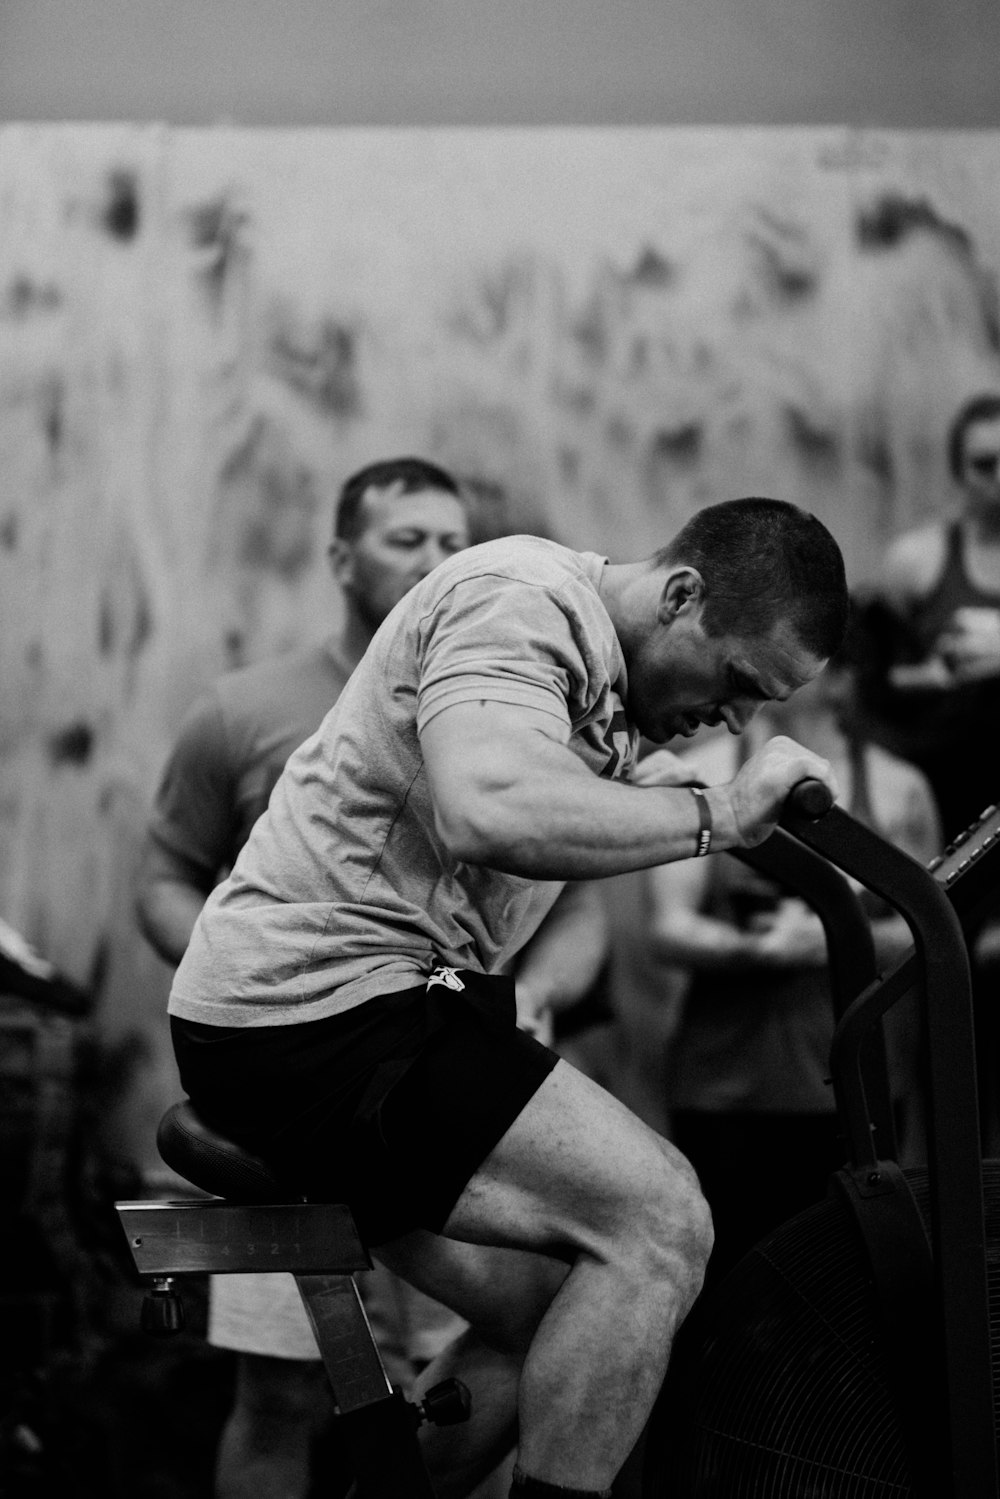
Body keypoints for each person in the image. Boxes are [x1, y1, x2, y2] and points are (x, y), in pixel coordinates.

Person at [166, 497, 849, 1499]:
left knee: (557, 1302)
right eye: (740, 682)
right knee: (661, 1221)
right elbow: (488, 805)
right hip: (313, 1011)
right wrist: (715, 812)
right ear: (679, 593)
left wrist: (875, 871)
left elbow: (643, 806)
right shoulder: (520, 603)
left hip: (375, 1013)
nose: (738, 719)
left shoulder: (614, 688)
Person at [136, 455, 472, 1499]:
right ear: (340, 557)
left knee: (461, 1377)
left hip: (438, 1096)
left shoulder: (491, 716)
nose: (436, 561)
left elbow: (577, 912)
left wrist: (540, 983)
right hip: (284, 1114)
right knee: (281, 1393)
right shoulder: (242, 710)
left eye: (453, 541)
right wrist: (243, 981)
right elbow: (161, 875)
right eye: (406, 539)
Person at [645, 620, 941, 1285]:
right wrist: (758, 949)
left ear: (844, 680)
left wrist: (829, 938)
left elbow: (930, 929)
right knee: (733, 1280)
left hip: (853, 1087)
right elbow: (668, 929)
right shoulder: (707, 776)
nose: (788, 678)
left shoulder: (898, 789)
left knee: (848, 1285)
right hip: (727, 1083)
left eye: (816, 664)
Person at [858, 391, 1000, 842]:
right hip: (944, 784)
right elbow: (872, 682)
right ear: (959, 472)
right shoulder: (917, 562)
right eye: (985, 464)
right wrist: (937, 676)